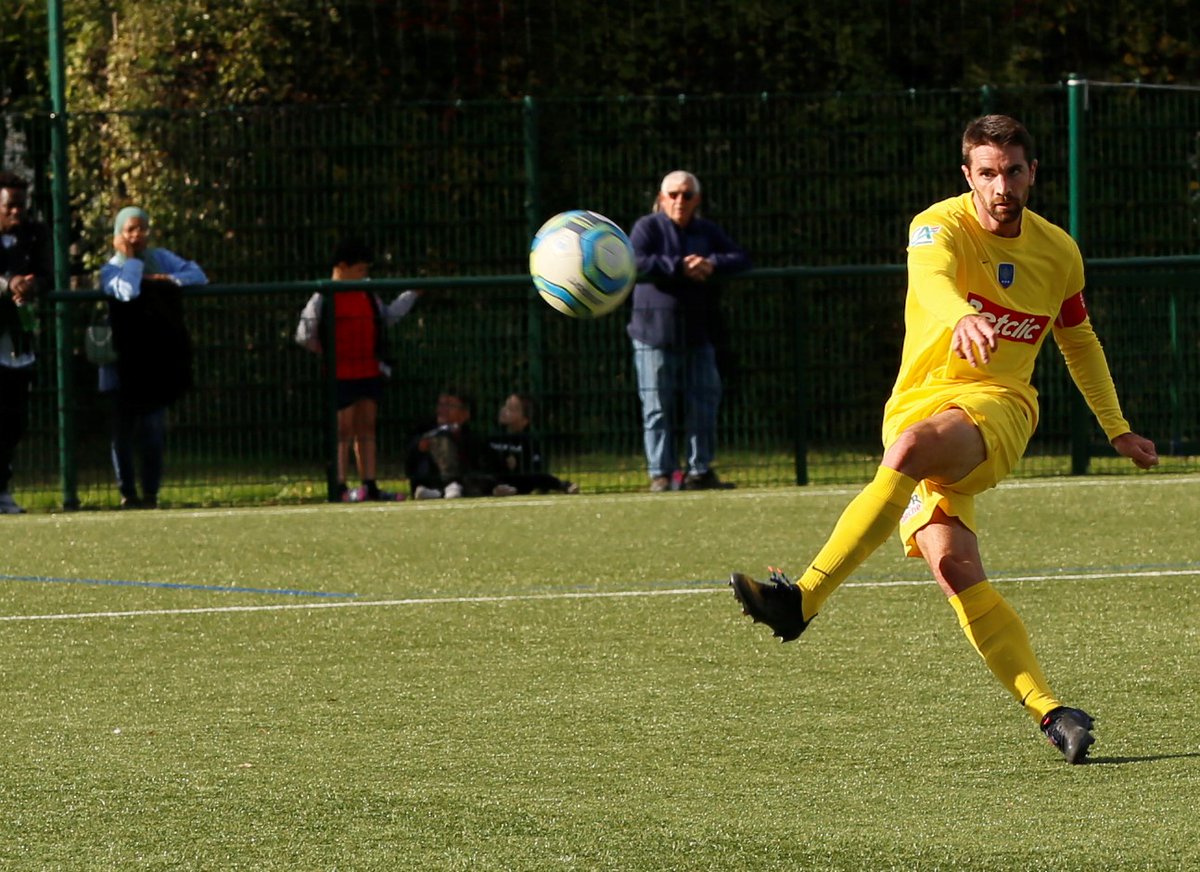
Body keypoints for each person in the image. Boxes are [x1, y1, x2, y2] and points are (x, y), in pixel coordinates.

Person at [729, 115, 1158, 765]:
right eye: (987, 172)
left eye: (1013, 170)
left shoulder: (1058, 252)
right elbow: (930, 281)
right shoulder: (937, 225)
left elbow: (1079, 340)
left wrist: (1116, 427)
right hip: (917, 406)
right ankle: (1052, 710)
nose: (1001, 186)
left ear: (1032, 172)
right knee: (957, 570)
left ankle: (801, 600)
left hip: (1000, 408)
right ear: (968, 176)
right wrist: (962, 314)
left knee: (905, 454)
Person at [627, 170, 751, 492]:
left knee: (704, 403)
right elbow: (634, 261)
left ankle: (699, 472)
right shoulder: (647, 227)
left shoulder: (706, 230)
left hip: (698, 334)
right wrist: (679, 267)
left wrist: (711, 264)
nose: (679, 201)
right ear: (661, 198)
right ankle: (662, 474)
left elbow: (740, 258)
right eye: (673, 194)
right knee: (656, 407)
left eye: (686, 195)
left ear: (696, 199)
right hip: (653, 335)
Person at [295, 237, 420, 502]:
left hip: (368, 370)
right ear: (342, 267)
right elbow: (304, 334)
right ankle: (339, 486)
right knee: (343, 430)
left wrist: (411, 295)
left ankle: (369, 485)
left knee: (367, 428)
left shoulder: (367, 292)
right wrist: (328, 351)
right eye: (360, 269)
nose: (365, 275)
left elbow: (385, 317)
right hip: (341, 374)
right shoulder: (324, 296)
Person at [99, 206, 206, 509]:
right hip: (121, 362)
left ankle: (150, 493)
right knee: (121, 432)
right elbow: (127, 292)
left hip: (154, 361)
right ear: (118, 235)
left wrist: (167, 279)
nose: (137, 235)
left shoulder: (160, 258)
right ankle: (127, 493)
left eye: (142, 228)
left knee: (153, 429)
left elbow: (198, 275)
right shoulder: (111, 268)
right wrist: (132, 262)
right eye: (130, 229)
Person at [0, 171, 52, 514]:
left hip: (18, 342)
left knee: (13, 421)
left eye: (22, 205)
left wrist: (33, 285)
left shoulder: (35, 235)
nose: (17, 212)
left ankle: (2, 489)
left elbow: (49, 274)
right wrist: (8, 284)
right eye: (10, 206)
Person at [404, 389, 495, 499]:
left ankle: (445, 491)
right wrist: (421, 447)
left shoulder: (474, 438)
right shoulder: (425, 430)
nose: (443, 410)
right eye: (441, 405)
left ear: (465, 414)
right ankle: (446, 487)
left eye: (450, 406)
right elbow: (410, 461)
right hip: (431, 481)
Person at [488, 393, 579, 496]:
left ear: (525, 420)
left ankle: (564, 485)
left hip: (518, 480)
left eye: (511, 410)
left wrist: (517, 463)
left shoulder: (530, 441)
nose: (504, 411)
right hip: (494, 479)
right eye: (505, 406)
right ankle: (496, 489)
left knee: (537, 476)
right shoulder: (493, 436)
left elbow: (534, 468)